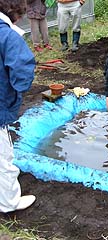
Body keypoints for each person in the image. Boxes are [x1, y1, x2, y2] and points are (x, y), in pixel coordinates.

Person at [0, 0, 37, 212]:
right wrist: (16, 92)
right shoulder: (8, 36)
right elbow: (22, 74)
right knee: (4, 159)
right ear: (16, 13)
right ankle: (9, 202)